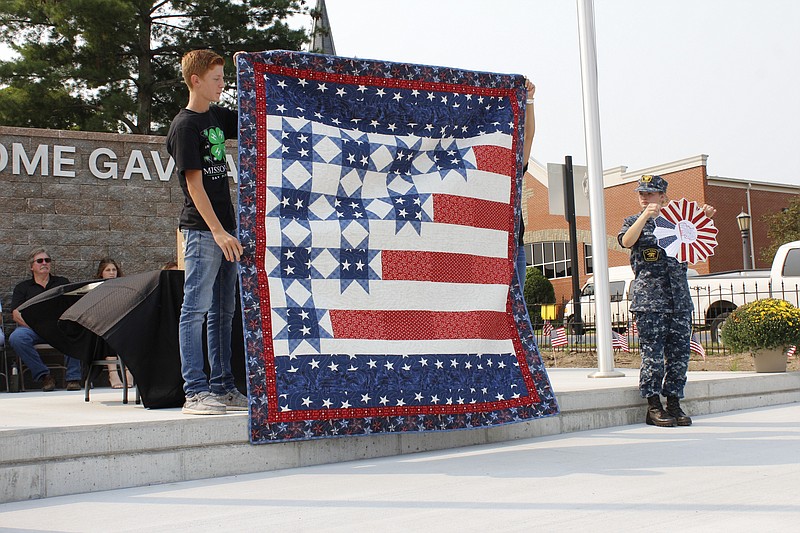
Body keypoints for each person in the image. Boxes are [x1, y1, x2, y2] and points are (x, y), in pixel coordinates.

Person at [166, 49, 246, 415]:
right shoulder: (185, 127)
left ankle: (223, 385)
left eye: (224, 78)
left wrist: (251, 65)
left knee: (223, 311)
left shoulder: (215, 116)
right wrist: (218, 232)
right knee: (195, 310)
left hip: (227, 230)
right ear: (196, 80)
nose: (223, 85)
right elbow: (194, 186)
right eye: (217, 79)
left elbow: (254, 109)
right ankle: (195, 391)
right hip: (203, 233)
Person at [619, 175, 716, 427]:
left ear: (663, 196)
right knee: (652, 354)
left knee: (679, 355)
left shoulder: (679, 223)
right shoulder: (634, 221)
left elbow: (698, 241)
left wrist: (703, 219)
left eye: (650, 193)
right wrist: (644, 216)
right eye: (641, 193)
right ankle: (653, 406)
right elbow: (626, 241)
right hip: (650, 300)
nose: (644, 197)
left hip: (679, 300)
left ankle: (673, 401)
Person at [9, 248, 82, 391]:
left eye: (47, 260)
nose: (44, 263)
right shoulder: (23, 287)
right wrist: (34, 327)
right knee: (16, 338)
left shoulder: (62, 283)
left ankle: (73, 378)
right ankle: (45, 377)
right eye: (40, 261)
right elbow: (16, 314)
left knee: (75, 331)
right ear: (32, 266)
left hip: (58, 328)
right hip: (33, 330)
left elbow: (73, 306)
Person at [94, 258, 134, 388]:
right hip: (100, 327)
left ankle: (130, 373)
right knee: (109, 333)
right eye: (108, 270)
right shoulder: (96, 288)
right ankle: (113, 374)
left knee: (130, 333)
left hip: (121, 324)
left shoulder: (123, 287)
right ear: (102, 273)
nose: (112, 273)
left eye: (114, 270)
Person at [516, 79, 536, 289]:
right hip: (488, 248)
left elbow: (528, 137)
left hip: (516, 248)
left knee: (517, 307)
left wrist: (529, 101)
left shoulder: (510, 169)